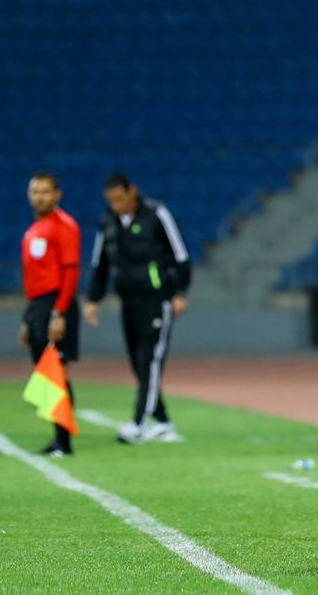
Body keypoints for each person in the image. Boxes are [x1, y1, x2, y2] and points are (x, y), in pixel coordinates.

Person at [84, 173, 190, 444]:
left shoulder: (156, 214)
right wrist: (93, 299)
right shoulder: (108, 221)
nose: (116, 205)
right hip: (127, 299)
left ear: (132, 191)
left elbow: (180, 254)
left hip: (157, 299)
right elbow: (100, 263)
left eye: (119, 199)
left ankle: (138, 423)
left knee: (150, 360)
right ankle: (163, 422)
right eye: (111, 200)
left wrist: (179, 292)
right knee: (138, 364)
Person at [19, 172, 82, 457]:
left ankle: (63, 441)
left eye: (45, 192)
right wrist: (27, 318)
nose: (40, 197)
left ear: (57, 195)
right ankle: (59, 436)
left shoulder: (64, 225)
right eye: (35, 192)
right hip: (38, 305)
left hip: (56, 302)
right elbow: (33, 277)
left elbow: (70, 272)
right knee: (46, 371)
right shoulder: (34, 229)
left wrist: (59, 312)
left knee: (57, 370)